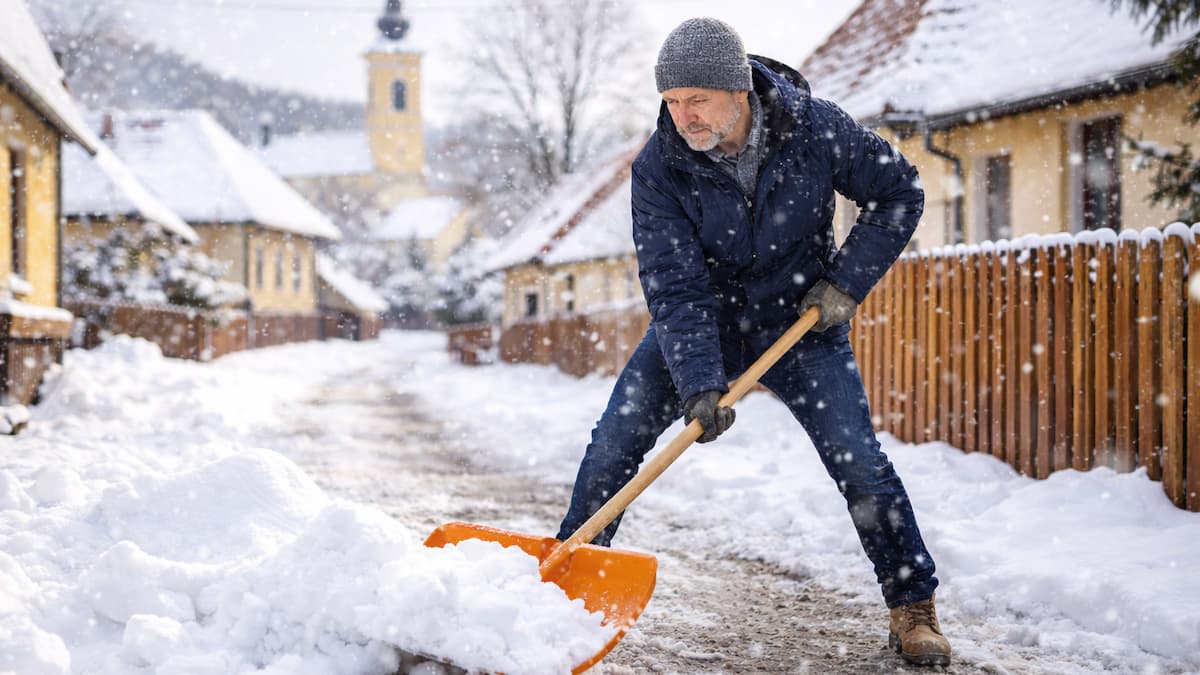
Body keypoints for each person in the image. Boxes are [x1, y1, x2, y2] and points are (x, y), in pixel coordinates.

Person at [555, 17, 951, 667]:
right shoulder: (659, 167)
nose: (682, 116)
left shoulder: (815, 128)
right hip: (702, 325)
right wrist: (699, 382)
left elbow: (898, 192)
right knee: (613, 446)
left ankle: (913, 607)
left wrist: (844, 284)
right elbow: (675, 285)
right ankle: (563, 588)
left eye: (697, 99)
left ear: (738, 90)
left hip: (801, 324)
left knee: (859, 462)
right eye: (671, 101)